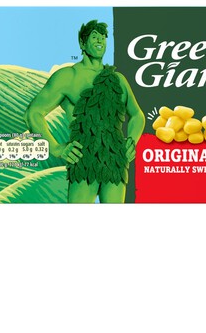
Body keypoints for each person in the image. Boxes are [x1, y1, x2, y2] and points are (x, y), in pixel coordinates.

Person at [24, 20, 145, 203]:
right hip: (84, 159)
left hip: (115, 160)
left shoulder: (118, 79)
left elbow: (137, 115)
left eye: (103, 37)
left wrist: (132, 141)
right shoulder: (67, 77)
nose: (100, 40)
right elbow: (33, 113)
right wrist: (56, 148)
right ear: (82, 43)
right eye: (94, 36)